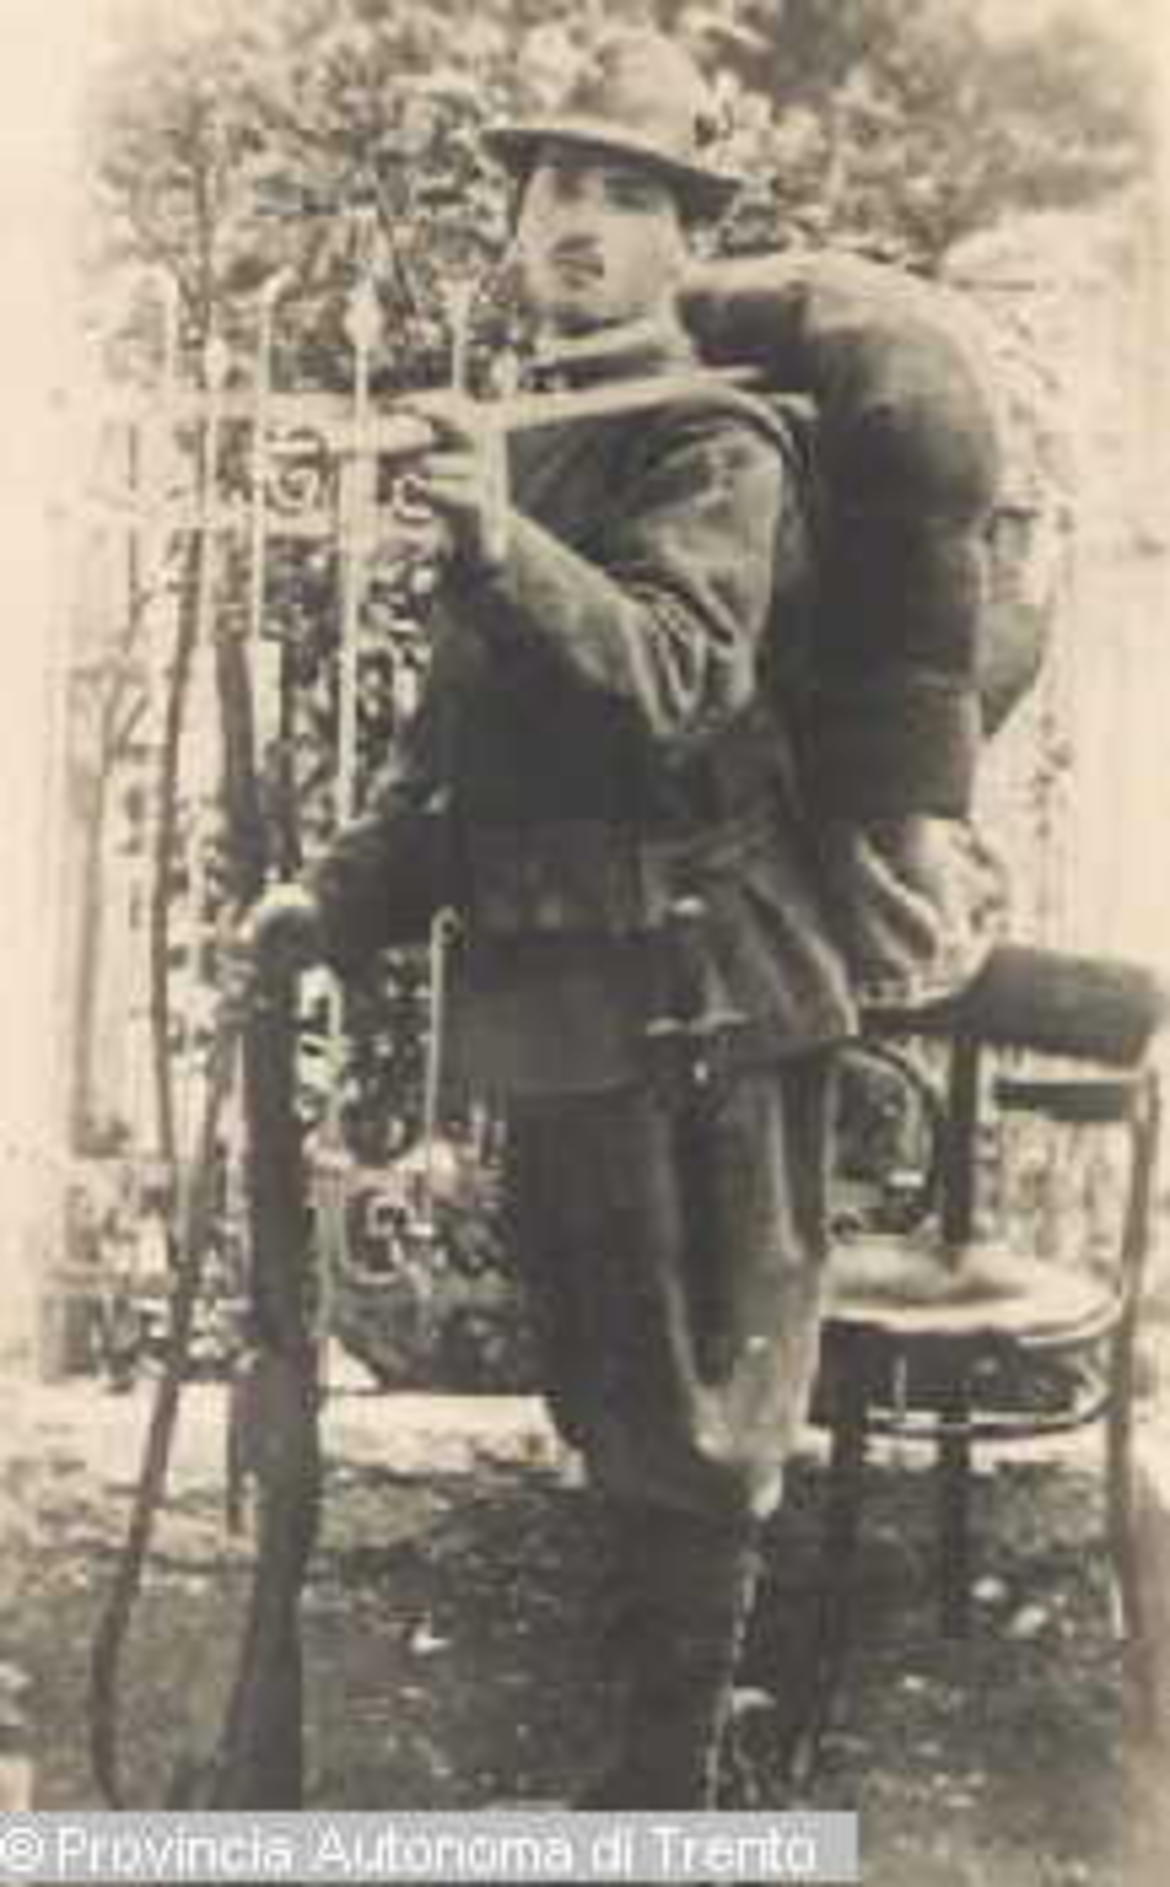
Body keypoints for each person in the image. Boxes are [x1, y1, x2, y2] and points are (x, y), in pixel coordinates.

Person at [246, 29, 989, 1808]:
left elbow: (672, 677)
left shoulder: (715, 443)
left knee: (699, 1426)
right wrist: (328, 902)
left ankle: (667, 1796)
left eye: (623, 194)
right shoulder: (540, 444)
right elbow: (460, 761)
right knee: (607, 1394)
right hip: (566, 1003)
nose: (575, 223)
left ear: (686, 239)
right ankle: (654, 1769)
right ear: (515, 230)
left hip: (700, 997)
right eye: (553, 190)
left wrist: (500, 542)